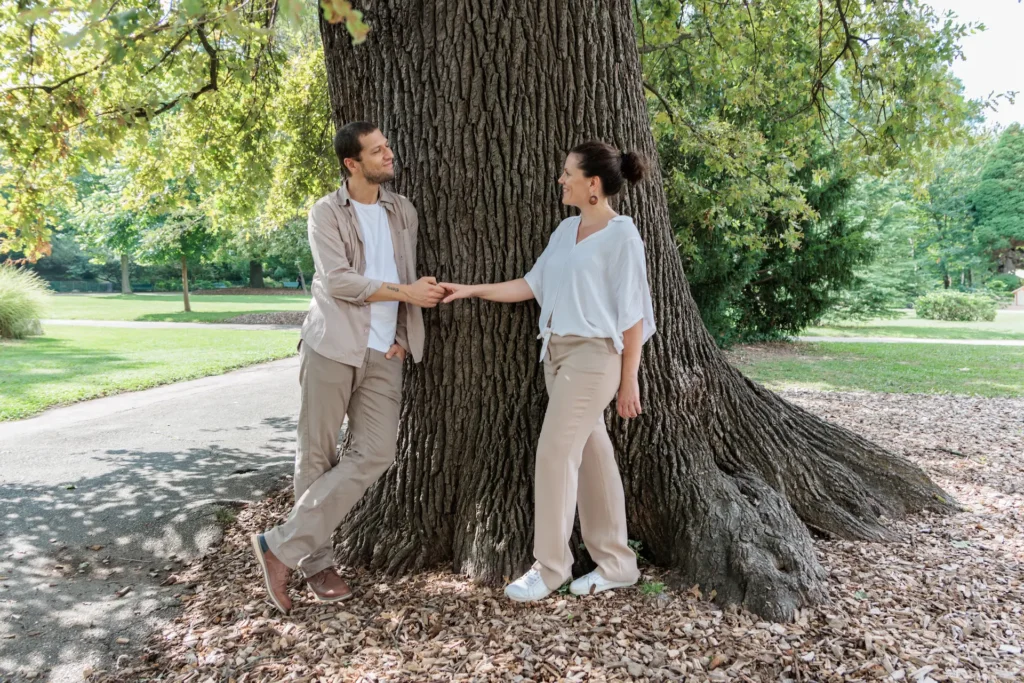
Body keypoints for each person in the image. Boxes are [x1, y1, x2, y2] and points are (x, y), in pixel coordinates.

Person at [441, 141, 656, 602]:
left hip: (595, 357)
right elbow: (531, 284)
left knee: (555, 453)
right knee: (593, 459)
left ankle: (551, 567)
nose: (561, 180)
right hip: (555, 357)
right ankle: (618, 564)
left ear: (592, 185)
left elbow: (634, 315)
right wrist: (471, 290)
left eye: (567, 174)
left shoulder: (622, 236)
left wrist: (629, 378)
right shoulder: (565, 230)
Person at [250, 121, 446, 614]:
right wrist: (405, 295)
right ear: (351, 164)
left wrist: (401, 334)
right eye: (377, 151)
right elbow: (339, 281)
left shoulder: (402, 210)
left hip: (385, 352)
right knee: (316, 458)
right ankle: (316, 564)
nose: (389, 155)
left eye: (388, 147)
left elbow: (404, 268)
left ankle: (280, 546)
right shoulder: (325, 212)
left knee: (377, 452)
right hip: (333, 346)